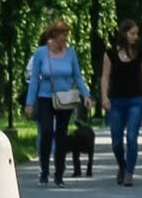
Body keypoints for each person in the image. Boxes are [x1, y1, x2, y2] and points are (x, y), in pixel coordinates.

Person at [25, 19, 92, 186]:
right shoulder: (41, 53)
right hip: (45, 97)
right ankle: (44, 170)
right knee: (47, 132)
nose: (65, 38)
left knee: (62, 135)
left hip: (65, 99)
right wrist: (29, 103)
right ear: (53, 36)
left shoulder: (71, 53)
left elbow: (77, 76)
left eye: (66, 35)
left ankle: (59, 174)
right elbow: (34, 79)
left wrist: (86, 95)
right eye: (63, 35)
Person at [100, 18, 142, 185]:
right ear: (124, 34)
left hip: (135, 100)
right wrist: (104, 97)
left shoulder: (141, 53)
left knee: (132, 137)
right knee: (116, 141)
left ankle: (129, 172)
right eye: (132, 33)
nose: (135, 37)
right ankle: (122, 165)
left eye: (136, 34)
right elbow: (105, 77)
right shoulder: (110, 54)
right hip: (116, 101)